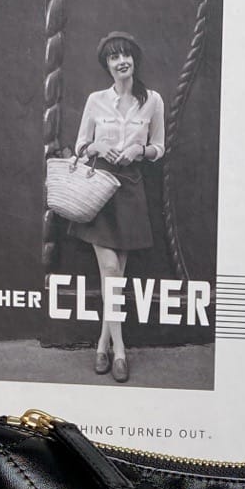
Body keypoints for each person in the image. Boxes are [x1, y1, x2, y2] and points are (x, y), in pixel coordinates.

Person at [65, 31, 166, 382]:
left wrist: (140, 150)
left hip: (132, 189)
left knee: (116, 277)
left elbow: (159, 148)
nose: (121, 61)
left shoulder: (152, 101)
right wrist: (96, 148)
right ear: (106, 65)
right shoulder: (96, 101)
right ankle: (119, 351)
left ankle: (101, 344)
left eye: (125, 55)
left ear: (134, 60)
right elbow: (80, 146)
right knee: (110, 269)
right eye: (114, 57)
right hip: (100, 189)